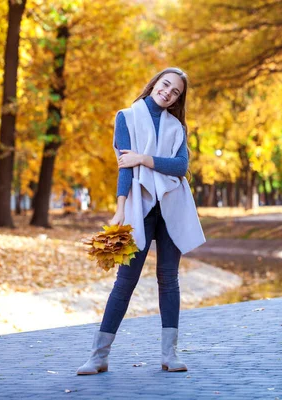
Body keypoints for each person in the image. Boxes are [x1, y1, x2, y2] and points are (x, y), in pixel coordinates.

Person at [77, 67, 206, 375]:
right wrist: (120, 209)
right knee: (125, 281)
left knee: (169, 279)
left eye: (175, 92)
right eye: (165, 85)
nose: (168, 92)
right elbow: (124, 167)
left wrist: (143, 159)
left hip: (173, 204)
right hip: (140, 205)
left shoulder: (177, 126)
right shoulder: (126, 117)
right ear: (154, 83)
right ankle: (98, 356)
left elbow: (180, 167)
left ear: (178, 98)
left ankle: (169, 355)